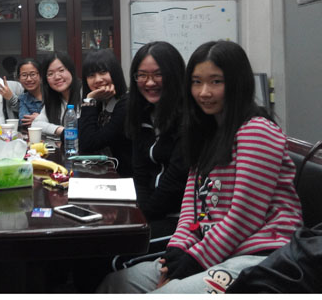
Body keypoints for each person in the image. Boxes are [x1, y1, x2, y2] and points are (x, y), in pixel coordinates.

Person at [98, 40, 303, 294]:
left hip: (259, 256)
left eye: (216, 81)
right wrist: (176, 250)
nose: (204, 92)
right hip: (213, 249)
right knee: (115, 284)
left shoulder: (256, 131)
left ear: (237, 83)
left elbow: (244, 218)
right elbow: (192, 205)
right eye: (197, 82)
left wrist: (194, 260)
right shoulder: (205, 133)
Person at [126, 41, 188, 239]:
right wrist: (142, 215)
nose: (150, 82)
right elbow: (140, 173)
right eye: (142, 75)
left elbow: (175, 180)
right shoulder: (142, 114)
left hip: (180, 219)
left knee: (114, 244)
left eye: (158, 74)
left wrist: (144, 217)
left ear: (174, 75)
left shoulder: (188, 118)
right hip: (152, 213)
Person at [78, 49, 132, 177]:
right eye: (91, 75)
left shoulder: (126, 104)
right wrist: (92, 101)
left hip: (124, 178)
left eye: (103, 72)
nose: (98, 80)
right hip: (101, 172)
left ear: (115, 72)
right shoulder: (100, 102)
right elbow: (78, 136)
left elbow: (88, 144)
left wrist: (89, 101)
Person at [32, 52, 81, 137]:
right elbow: (36, 124)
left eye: (61, 70)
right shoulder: (54, 99)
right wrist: (60, 130)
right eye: (50, 74)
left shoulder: (85, 94)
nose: (57, 77)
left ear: (71, 70)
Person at [16, 58, 43, 128]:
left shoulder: (52, 95)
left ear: (41, 76)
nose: (29, 79)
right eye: (24, 75)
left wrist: (40, 118)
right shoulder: (23, 98)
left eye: (33, 74)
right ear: (19, 78)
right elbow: (24, 121)